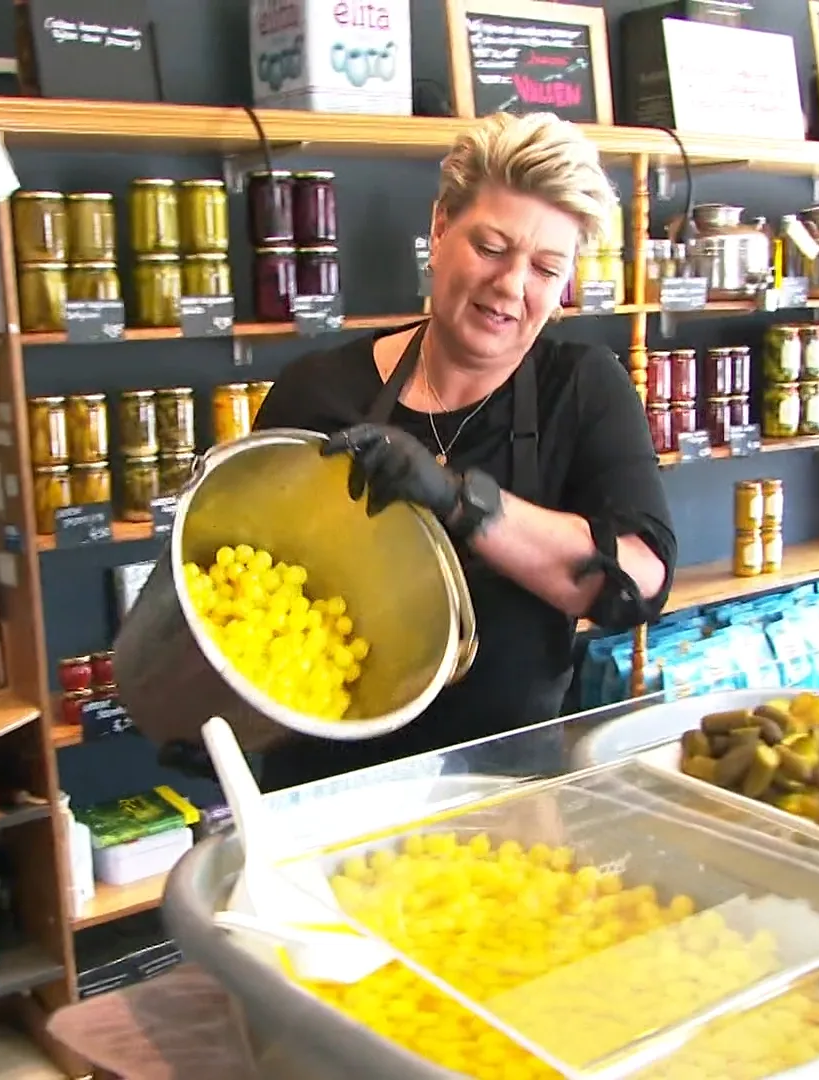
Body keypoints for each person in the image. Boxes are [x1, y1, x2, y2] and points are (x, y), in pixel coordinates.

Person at [245, 112, 677, 788]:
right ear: (441, 227)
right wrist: (210, 706)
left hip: (505, 800)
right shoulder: (320, 390)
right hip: (322, 796)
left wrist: (461, 501)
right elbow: (239, 580)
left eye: (544, 268)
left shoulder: (583, 389)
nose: (511, 285)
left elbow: (638, 584)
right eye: (492, 246)